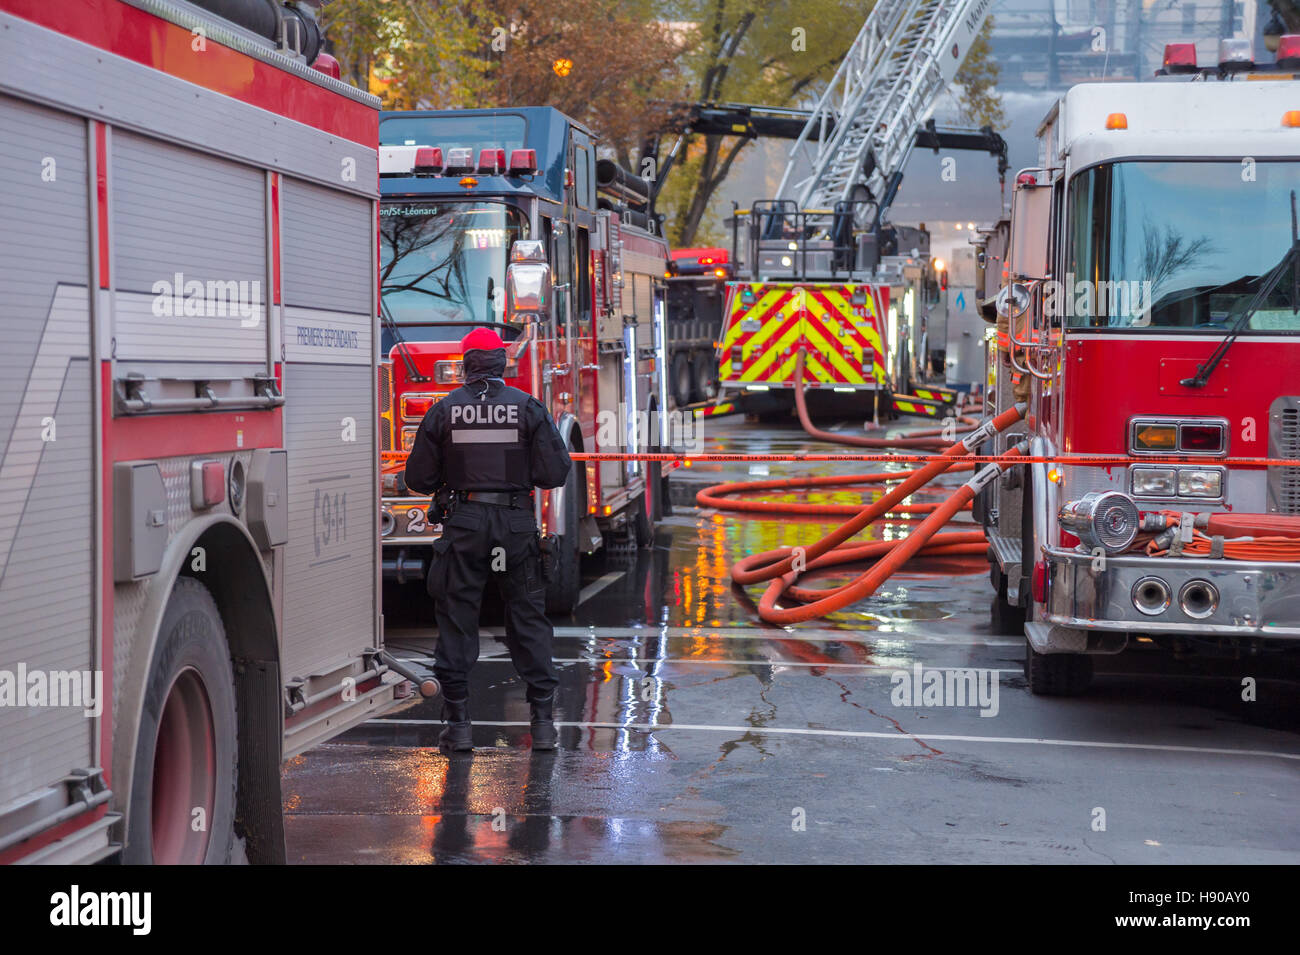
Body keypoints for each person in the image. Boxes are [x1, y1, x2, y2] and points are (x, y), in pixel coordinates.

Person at [404, 327, 572, 753]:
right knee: (528, 620)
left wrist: (451, 481)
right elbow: (555, 473)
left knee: (458, 619)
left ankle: (458, 727)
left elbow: (417, 479)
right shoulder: (528, 407)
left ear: (465, 365)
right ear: (501, 364)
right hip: (515, 525)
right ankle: (544, 726)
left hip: (464, 524)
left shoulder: (444, 410)